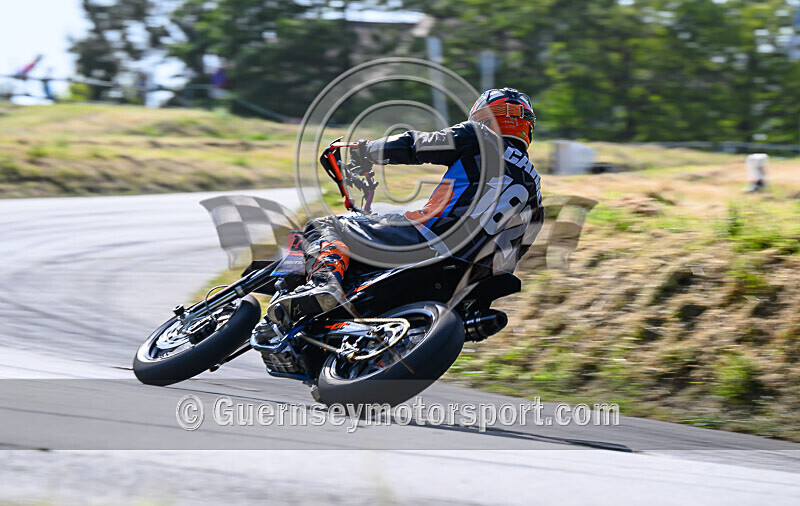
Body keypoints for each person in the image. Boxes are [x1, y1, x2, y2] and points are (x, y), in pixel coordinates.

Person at [267, 87, 543, 323]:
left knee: (322, 226)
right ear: (528, 126)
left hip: (429, 238)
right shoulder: (535, 185)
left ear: (481, 116)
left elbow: (417, 145)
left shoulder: (480, 136)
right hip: (477, 273)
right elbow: (523, 243)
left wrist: (364, 150)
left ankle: (321, 282)